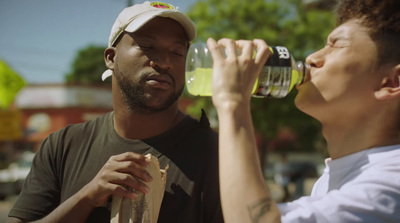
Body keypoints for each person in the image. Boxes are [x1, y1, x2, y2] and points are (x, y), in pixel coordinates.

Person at [7, 1, 223, 223]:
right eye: (148, 46)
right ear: (111, 57)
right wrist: (86, 198)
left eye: (177, 52)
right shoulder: (62, 146)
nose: (165, 62)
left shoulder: (218, 155)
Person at [208, 0, 400, 222]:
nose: (312, 58)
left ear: (392, 82)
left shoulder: (392, 181)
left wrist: (232, 102)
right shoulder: (330, 180)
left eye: (336, 44)